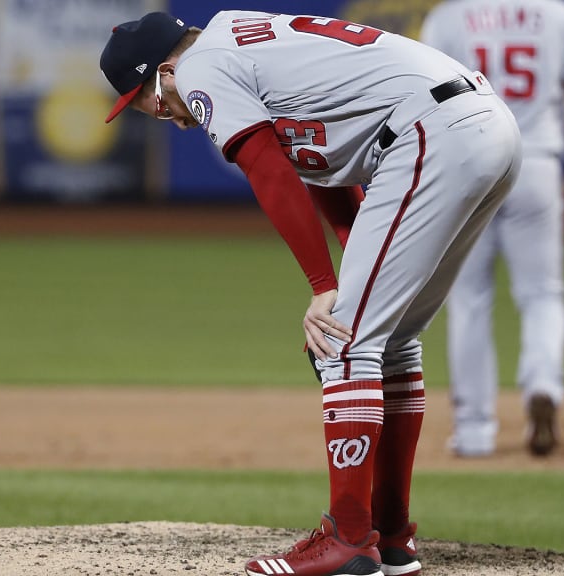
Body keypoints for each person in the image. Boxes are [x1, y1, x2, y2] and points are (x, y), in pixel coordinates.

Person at [100, 10, 521, 576]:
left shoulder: (200, 68)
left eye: (145, 100)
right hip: (483, 126)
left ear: (164, 73)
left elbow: (268, 169)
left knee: (341, 340)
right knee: (388, 339)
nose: (162, 117)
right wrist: (350, 265)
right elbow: (319, 166)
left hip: (433, 134)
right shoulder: (243, 42)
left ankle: (348, 539)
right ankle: (390, 537)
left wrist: (325, 286)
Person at [420, 0, 564, 458]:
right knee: (542, 294)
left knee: (469, 299)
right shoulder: (555, 14)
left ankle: (475, 431)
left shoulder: (449, 17)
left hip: (470, 165)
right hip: (536, 163)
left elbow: (422, 101)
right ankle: (543, 385)